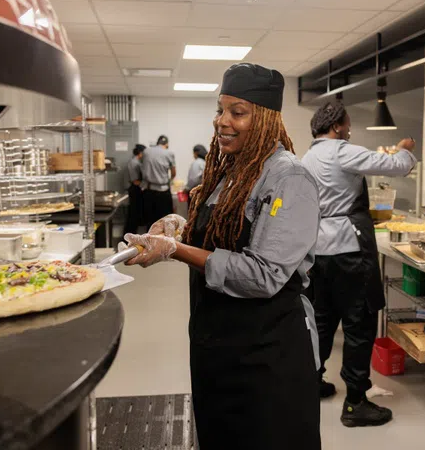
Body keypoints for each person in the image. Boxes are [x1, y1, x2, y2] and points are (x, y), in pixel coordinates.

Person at [124, 63, 322, 450]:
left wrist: (175, 251)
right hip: (218, 346)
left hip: (266, 354)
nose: (222, 122)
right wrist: (179, 226)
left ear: (264, 118)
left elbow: (263, 275)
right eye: (220, 109)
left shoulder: (289, 178)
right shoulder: (231, 170)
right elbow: (222, 233)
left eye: (238, 112)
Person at [301, 101, 417, 428]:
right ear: (337, 125)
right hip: (348, 250)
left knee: (321, 320)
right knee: (358, 323)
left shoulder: (308, 157)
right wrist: (404, 150)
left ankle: (312, 381)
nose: (349, 130)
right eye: (348, 125)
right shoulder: (341, 150)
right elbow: (394, 165)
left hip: (317, 250)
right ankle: (355, 403)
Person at [141, 135, 176, 227]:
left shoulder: (146, 151)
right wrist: (169, 180)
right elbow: (173, 173)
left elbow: (143, 167)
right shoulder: (169, 153)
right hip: (163, 191)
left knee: (150, 221)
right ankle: (164, 241)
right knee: (165, 221)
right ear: (167, 144)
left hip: (149, 190)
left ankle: (149, 240)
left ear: (157, 143)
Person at [123, 144, 147, 236]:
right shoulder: (134, 163)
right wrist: (145, 186)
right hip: (134, 190)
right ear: (140, 153)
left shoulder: (137, 162)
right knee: (133, 215)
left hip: (136, 189)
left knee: (135, 215)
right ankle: (128, 237)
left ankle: (131, 236)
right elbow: (135, 181)